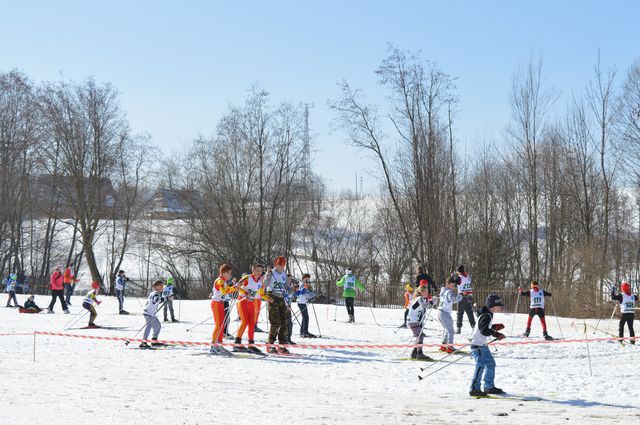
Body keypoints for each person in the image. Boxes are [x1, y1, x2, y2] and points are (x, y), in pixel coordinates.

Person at [469, 294, 506, 397]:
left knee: (490, 364)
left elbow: (486, 326)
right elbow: (483, 330)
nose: (500, 308)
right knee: (480, 365)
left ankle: (489, 387)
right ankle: (474, 388)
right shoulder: (486, 315)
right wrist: (496, 334)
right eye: (499, 305)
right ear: (493, 306)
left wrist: (495, 327)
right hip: (477, 344)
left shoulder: (488, 314)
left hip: (482, 345)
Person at [234, 264, 266, 354]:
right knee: (244, 322)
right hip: (242, 301)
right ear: (253, 270)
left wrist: (269, 299)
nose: (259, 272)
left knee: (252, 323)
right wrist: (245, 293)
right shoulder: (247, 277)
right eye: (257, 270)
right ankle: (237, 343)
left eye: (260, 271)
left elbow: (262, 293)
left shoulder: (260, 281)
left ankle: (251, 345)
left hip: (251, 302)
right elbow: (237, 286)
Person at [264, 256, 293, 354]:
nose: (281, 267)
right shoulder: (271, 272)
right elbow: (265, 284)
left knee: (284, 323)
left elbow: (287, 287)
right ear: (276, 264)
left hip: (281, 298)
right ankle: (270, 344)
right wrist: (267, 275)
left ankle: (282, 345)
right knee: (275, 323)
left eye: (283, 265)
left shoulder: (284, 274)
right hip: (272, 297)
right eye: (279, 265)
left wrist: (292, 289)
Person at [210, 264, 237, 354]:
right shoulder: (219, 281)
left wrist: (234, 286)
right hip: (216, 303)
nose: (230, 275)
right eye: (229, 273)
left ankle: (219, 343)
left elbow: (227, 289)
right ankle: (213, 345)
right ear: (224, 273)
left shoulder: (224, 281)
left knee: (222, 325)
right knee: (218, 325)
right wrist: (234, 288)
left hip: (221, 303)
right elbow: (224, 291)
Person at [407, 285, 435, 360]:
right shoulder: (419, 298)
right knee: (420, 336)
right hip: (413, 321)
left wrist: (432, 301)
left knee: (418, 336)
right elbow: (424, 306)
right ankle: (419, 353)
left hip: (414, 321)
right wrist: (432, 302)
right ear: (422, 292)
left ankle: (415, 352)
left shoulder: (421, 298)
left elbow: (426, 304)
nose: (428, 293)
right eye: (426, 291)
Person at [438, 277, 463, 353]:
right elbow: (453, 300)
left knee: (447, 329)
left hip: (440, 312)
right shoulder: (449, 292)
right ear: (447, 284)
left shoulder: (443, 291)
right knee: (451, 330)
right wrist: (460, 296)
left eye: (454, 286)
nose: (453, 287)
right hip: (445, 313)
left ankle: (444, 344)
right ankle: (450, 346)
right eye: (452, 285)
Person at [139, 280, 166, 349]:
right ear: (157, 287)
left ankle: (154, 340)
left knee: (158, 326)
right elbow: (156, 300)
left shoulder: (155, 293)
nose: (162, 288)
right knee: (148, 326)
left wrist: (164, 298)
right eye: (161, 286)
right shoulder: (155, 294)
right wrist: (163, 299)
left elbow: (156, 302)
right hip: (148, 313)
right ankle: (143, 342)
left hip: (151, 314)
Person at [454, 265, 476, 334]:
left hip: (462, 296)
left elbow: (454, 281)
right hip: (469, 296)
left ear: (459, 271)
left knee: (460, 313)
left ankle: (458, 328)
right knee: (470, 312)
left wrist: (453, 276)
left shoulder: (460, 277)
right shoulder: (468, 276)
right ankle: (473, 326)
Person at [295, 274, 317, 338]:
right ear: (303, 279)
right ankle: (305, 331)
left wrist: (312, 295)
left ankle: (303, 331)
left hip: (303, 302)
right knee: (306, 317)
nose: (307, 280)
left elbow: (308, 294)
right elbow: (300, 293)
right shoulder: (301, 284)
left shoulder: (306, 285)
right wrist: (305, 287)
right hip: (300, 302)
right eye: (306, 279)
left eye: (308, 279)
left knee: (304, 317)